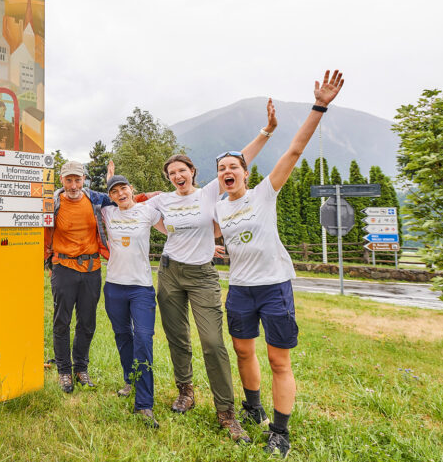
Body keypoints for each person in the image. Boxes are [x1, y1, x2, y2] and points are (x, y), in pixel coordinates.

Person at [215, 70, 345, 457]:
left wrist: (319, 106)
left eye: (233, 167)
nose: (227, 173)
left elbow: (293, 151)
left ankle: (280, 432)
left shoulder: (264, 193)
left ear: (245, 173)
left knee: (277, 359)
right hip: (239, 289)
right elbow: (210, 237)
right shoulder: (219, 208)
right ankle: (253, 407)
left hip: (274, 285)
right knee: (242, 351)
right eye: (221, 169)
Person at [148, 100, 277, 443]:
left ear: (193, 172)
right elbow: (146, 216)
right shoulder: (163, 200)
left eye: (182, 170)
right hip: (170, 273)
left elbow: (241, 159)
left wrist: (265, 132)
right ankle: (186, 391)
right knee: (177, 338)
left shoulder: (210, 192)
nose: (177, 176)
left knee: (212, 343)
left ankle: (226, 412)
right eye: (171, 173)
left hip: (203, 275)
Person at [43, 160, 157, 393]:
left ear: (84, 179)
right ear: (62, 181)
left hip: (92, 269)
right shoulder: (52, 202)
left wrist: (154, 195)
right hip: (63, 267)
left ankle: (81, 368)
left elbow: (122, 199)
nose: (73, 185)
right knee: (62, 321)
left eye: (77, 180)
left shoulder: (95, 200)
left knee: (87, 322)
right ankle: (64, 371)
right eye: (68, 180)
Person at [101, 174, 167, 428]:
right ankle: (130, 380)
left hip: (141, 288)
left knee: (143, 339)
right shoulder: (107, 213)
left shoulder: (147, 212)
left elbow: (172, 231)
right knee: (122, 336)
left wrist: (204, 242)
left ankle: (145, 404)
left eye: (123, 188)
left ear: (132, 189)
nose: (120, 194)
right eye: (114, 191)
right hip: (115, 287)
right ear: (111, 197)